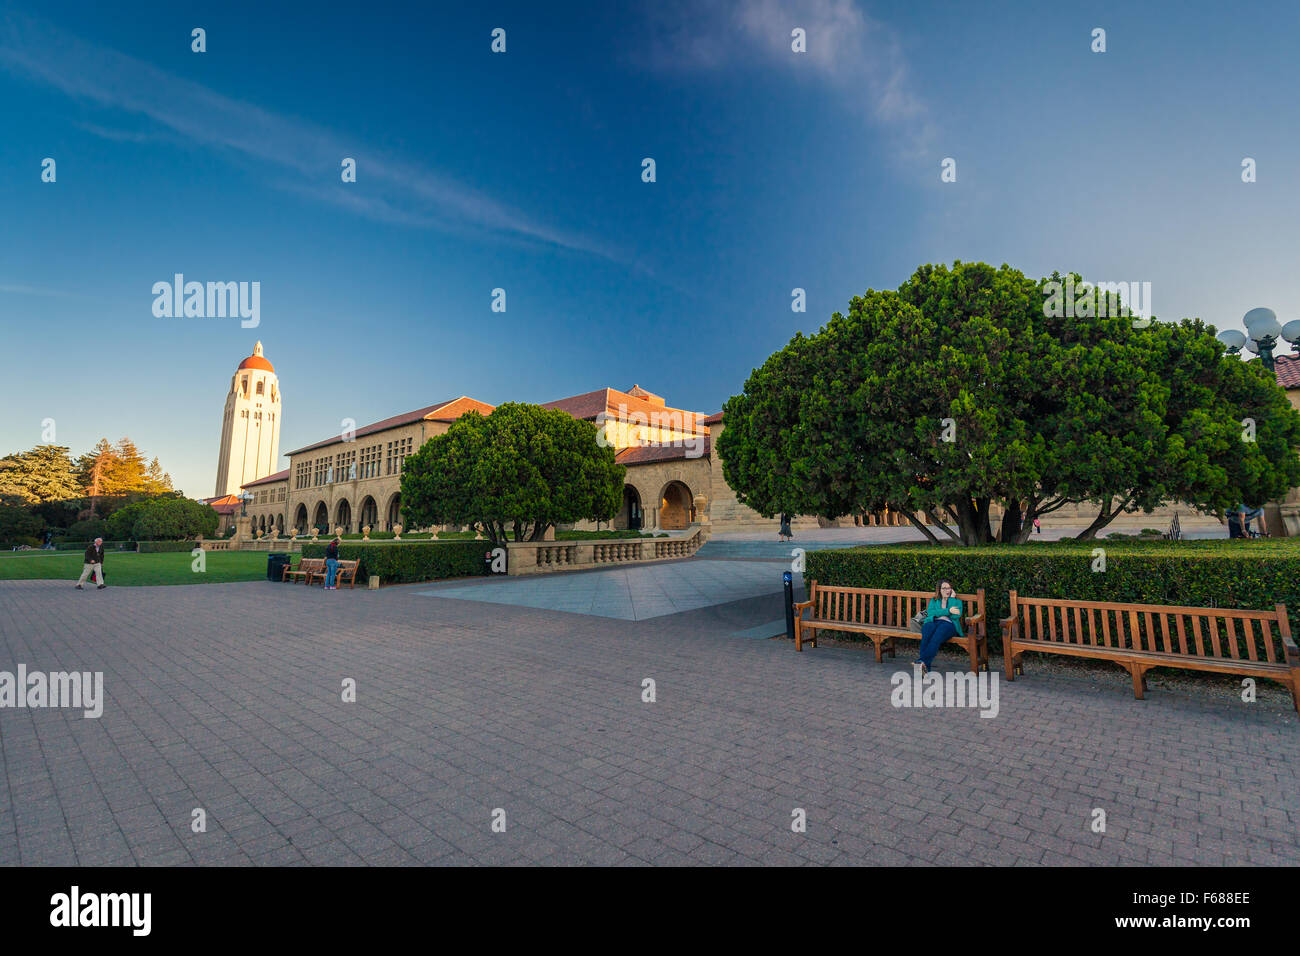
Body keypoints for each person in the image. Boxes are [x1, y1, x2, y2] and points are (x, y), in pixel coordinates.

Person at [915, 580, 963, 672]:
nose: (947, 590)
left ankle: (922, 662)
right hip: (933, 622)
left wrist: (952, 599)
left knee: (936, 638)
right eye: (944, 588)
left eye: (948, 588)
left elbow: (955, 615)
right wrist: (948, 611)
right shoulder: (934, 600)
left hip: (948, 625)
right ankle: (925, 668)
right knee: (926, 635)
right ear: (939, 590)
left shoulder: (957, 602)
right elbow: (930, 613)